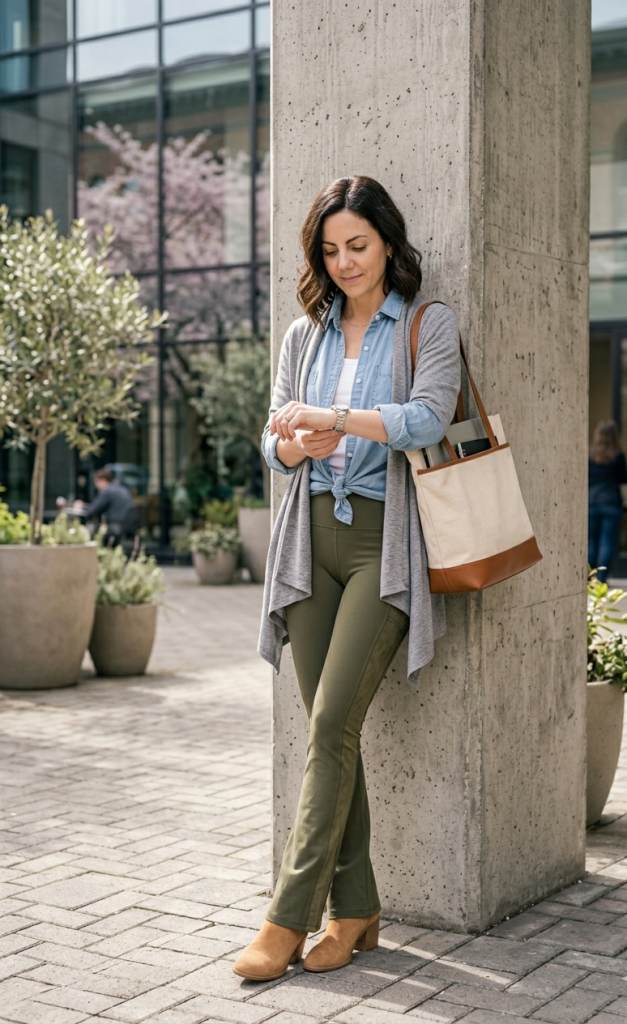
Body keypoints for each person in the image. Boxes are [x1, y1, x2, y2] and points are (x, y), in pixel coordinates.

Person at [232, 176, 461, 982]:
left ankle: (286, 918)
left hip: (382, 544)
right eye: (329, 251)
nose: (343, 263)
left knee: (329, 721)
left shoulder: (424, 324)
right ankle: (357, 907)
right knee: (332, 730)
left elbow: (427, 417)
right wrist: (294, 445)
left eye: (356, 246)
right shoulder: (306, 334)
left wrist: (330, 420)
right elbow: (271, 440)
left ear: (388, 244)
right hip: (309, 542)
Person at [588, 420, 627, 582]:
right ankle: (601, 580)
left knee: (591, 542)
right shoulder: (617, 455)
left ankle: (589, 578)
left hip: (592, 502)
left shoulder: (590, 454)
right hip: (611, 502)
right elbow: (623, 478)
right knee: (607, 542)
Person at [80, 468, 137, 545]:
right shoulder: (120, 488)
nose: (95, 485)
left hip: (114, 526)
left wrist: (81, 506)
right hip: (126, 526)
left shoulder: (107, 491)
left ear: (102, 480)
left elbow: (92, 510)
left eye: (96, 482)